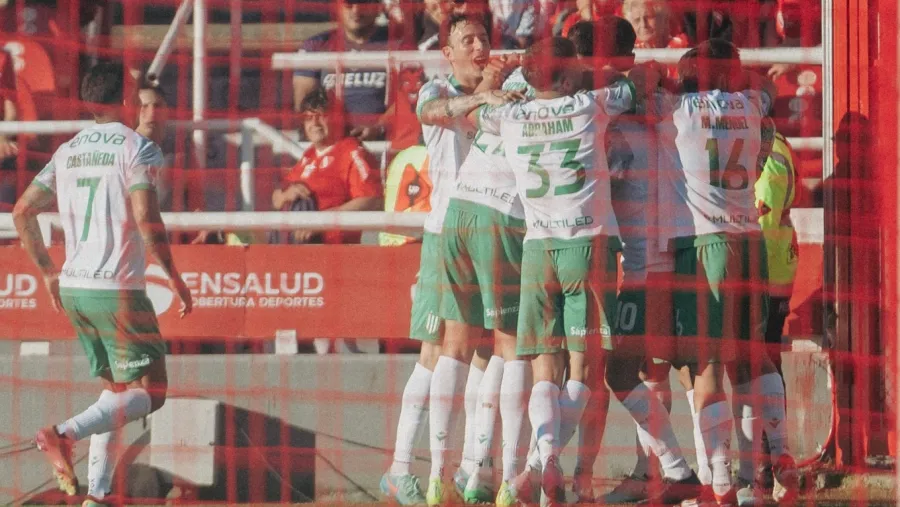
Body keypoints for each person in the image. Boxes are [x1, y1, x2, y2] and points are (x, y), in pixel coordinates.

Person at [472, 36, 654, 505]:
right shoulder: (590, 105)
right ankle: (542, 463)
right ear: (570, 72)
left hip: (537, 248)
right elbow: (643, 79)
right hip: (587, 245)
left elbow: (474, 110)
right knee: (585, 368)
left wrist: (499, 81)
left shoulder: (509, 115)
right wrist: (601, 74)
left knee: (543, 367)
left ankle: (542, 458)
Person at [12, 62, 192, 507]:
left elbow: (22, 211)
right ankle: (63, 434)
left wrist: (48, 272)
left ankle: (96, 495)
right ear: (126, 99)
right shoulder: (138, 147)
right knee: (153, 392)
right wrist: (174, 276)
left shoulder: (67, 151)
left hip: (74, 287)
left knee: (116, 393)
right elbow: (147, 218)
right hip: (118, 289)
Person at [379, 14, 523, 506]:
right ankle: (401, 468)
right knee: (436, 351)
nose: (480, 46)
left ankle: (474, 467)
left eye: (484, 37)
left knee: (489, 350)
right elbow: (434, 112)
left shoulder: (504, 90)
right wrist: (487, 94)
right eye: (468, 40)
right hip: (447, 236)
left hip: (494, 232)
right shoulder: (437, 89)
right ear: (448, 52)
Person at [654, 40, 798, 505]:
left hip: (705, 242)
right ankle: (780, 451)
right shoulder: (753, 107)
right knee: (754, 355)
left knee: (707, 365)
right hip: (750, 240)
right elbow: (764, 90)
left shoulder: (678, 109)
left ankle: (719, 481)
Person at [739, 123, 799, 504]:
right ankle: (769, 463)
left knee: (761, 361)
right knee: (761, 360)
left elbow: (762, 219)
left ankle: (768, 465)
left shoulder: (770, 155)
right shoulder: (773, 145)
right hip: (773, 265)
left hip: (768, 269)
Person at [272, 89, 384, 246]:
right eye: (308, 118)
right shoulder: (309, 155)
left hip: (336, 250)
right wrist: (286, 195)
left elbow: (371, 199)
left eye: (322, 116)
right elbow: (276, 198)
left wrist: (321, 221)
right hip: (299, 248)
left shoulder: (352, 151)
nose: (315, 123)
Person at [292, 0, 394, 140]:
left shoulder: (397, 43)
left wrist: (379, 127)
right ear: (337, 6)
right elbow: (304, 104)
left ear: (378, 6)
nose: (356, 10)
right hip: (331, 141)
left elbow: (406, 101)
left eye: (363, 3)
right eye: (349, 3)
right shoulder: (315, 45)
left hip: (383, 142)